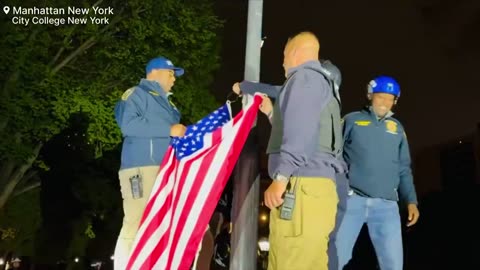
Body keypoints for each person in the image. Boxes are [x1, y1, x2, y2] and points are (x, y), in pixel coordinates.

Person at [238, 31, 345, 270]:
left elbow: (300, 135)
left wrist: (281, 176)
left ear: (295, 52)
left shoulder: (305, 78)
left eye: (284, 56)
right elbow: (301, 128)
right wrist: (269, 112)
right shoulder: (315, 83)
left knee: (295, 261)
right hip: (308, 188)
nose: (283, 62)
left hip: (302, 186)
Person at [334, 76, 420, 270]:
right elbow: (334, 156)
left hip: (387, 206)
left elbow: (404, 167)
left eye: (390, 99)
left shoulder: (397, 128)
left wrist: (411, 201)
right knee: (336, 258)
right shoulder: (351, 120)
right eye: (381, 97)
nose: (385, 103)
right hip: (352, 201)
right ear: (370, 95)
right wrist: (340, 188)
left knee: (393, 264)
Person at [113, 56, 187, 269]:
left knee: (157, 224)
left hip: (163, 171)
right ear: (154, 72)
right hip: (140, 168)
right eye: (171, 73)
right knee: (136, 222)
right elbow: (128, 125)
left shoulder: (169, 105)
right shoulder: (137, 93)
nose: (174, 78)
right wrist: (169, 130)